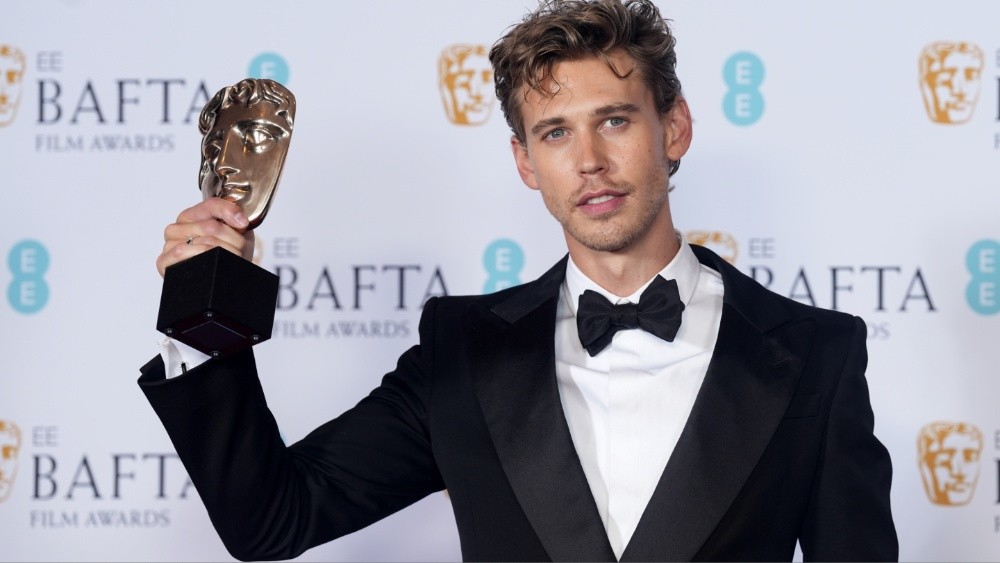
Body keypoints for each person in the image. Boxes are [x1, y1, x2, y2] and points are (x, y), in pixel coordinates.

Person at [141, 0, 898, 560]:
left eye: (616, 120)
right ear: (525, 162)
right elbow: (271, 518)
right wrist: (207, 327)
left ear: (674, 128)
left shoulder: (816, 355)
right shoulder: (462, 353)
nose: (590, 161)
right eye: (556, 132)